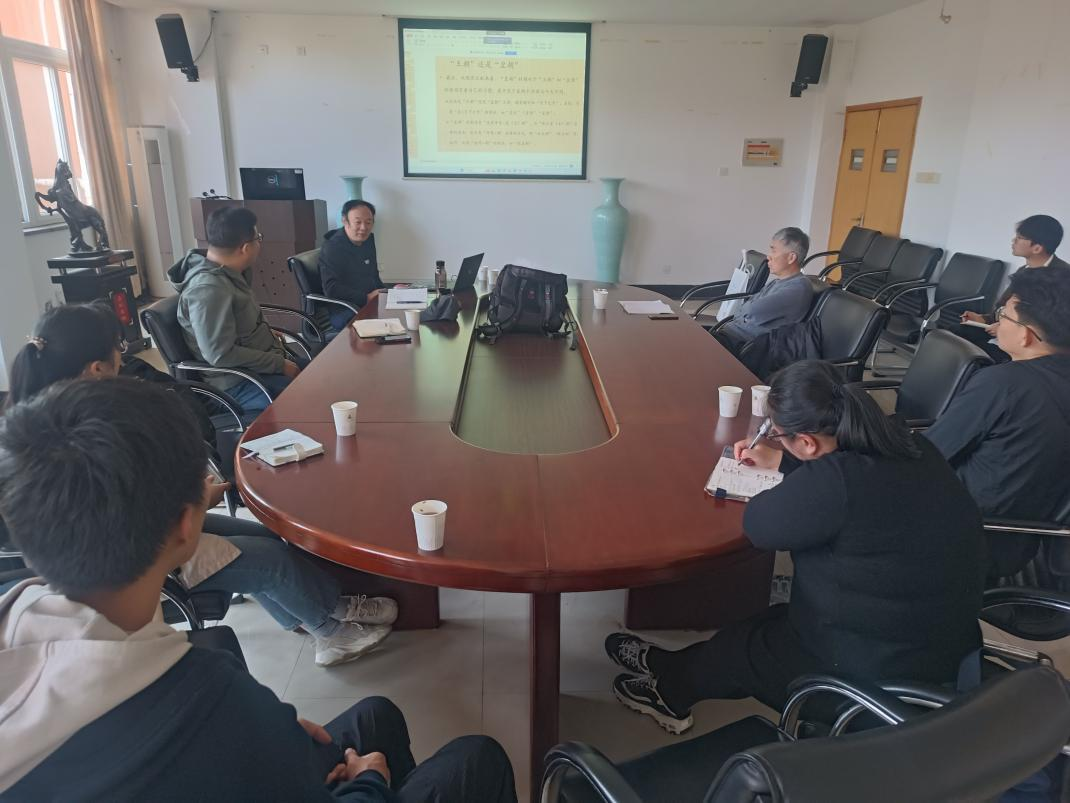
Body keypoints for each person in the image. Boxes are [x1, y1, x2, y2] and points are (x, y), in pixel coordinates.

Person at [0, 379, 518, 802]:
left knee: (374, 715)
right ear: (187, 523)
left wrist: (273, 739)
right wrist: (369, 781)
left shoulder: (18, 622)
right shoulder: (211, 700)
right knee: (478, 757)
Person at [5, 303, 398, 667]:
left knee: (266, 534)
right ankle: (329, 632)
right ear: (95, 368)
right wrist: (194, 503)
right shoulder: (76, 439)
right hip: (128, 558)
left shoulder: (46, 417)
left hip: (144, 524)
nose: (123, 358)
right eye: (118, 348)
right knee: (271, 562)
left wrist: (188, 498)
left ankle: (314, 610)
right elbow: (114, 516)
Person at [605, 360, 984, 734]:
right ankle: (668, 666)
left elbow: (760, 526)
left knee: (742, 652)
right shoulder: (912, 445)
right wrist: (783, 461)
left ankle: (668, 694)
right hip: (943, 648)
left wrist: (789, 474)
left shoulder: (837, 484)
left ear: (807, 442)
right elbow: (844, 488)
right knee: (766, 623)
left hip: (874, 680)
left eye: (776, 434)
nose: (771, 438)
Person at [926, 267, 1070, 577]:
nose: (998, 321)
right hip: (1022, 539)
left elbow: (930, 454)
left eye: (1004, 314)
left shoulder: (1005, 384)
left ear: (1026, 335)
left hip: (961, 533)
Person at [169, 206, 302, 414]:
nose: (260, 243)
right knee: (310, 400)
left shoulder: (229, 274)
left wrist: (264, 334)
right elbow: (220, 355)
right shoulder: (208, 289)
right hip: (236, 383)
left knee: (323, 375)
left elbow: (238, 325)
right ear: (245, 248)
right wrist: (279, 364)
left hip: (257, 366)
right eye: (258, 238)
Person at [954, 214, 1067, 363]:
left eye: (1019, 238)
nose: (1013, 241)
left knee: (969, 356)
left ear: (1037, 248)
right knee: (953, 333)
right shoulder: (1023, 271)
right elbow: (1002, 308)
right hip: (1003, 329)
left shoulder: (1061, 278)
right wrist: (982, 318)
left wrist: (1006, 327)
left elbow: (1054, 328)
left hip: (1030, 346)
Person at [715, 227, 815, 354]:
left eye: (773, 250)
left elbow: (751, 309)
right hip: (731, 336)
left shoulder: (798, 288)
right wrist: (746, 314)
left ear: (791, 258)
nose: (768, 256)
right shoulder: (777, 282)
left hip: (743, 347)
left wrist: (746, 313)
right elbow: (747, 309)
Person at [319, 200, 386, 331]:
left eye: (368, 222)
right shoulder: (332, 247)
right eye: (358, 222)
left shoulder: (368, 240)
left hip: (369, 303)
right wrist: (366, 298)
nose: (364, 228)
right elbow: (331, 288)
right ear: (345, 221)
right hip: (346, 308)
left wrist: (387, 293)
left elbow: (374, 275)